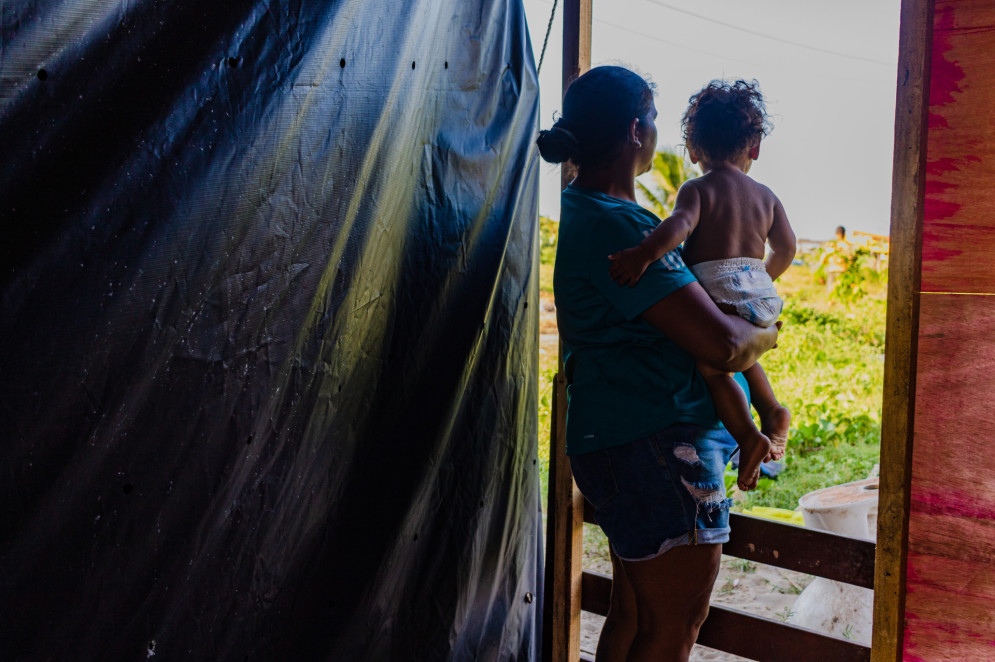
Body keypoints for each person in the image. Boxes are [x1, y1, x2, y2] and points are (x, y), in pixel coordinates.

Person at [536, 67, 780, 662]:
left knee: (633, 615)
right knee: (672, 631)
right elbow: (723, 345)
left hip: (620, 440)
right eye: (651, 117)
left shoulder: (592, 210)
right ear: (633, 130)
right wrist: (768, 328)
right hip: (659, 447)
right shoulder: (622, 226)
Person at [606, 79, 796, 491]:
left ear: (693, 151)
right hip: (757, 287)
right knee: (747, 355)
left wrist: (644, 254)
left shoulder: (698, 188)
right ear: (754, 148)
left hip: (717, 285)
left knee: (713, 366)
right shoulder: (766, 196)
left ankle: (748, 434)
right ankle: (773, 408)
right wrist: (763, 279)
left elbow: (679, 226)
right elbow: (787, 246)